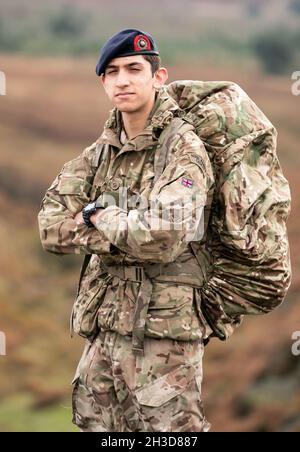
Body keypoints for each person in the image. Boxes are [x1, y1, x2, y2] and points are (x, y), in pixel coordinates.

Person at [38, 28, 291, 432]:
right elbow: (50, 228)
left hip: (164, 337)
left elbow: (164, 236)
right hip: (104, 330)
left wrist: (98, 217)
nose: (123, 80)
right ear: (103, 82)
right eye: (113, 72)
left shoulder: (183, 148)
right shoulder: (101, 151)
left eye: (135, 69)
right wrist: (121, 231)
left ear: (158, 77)